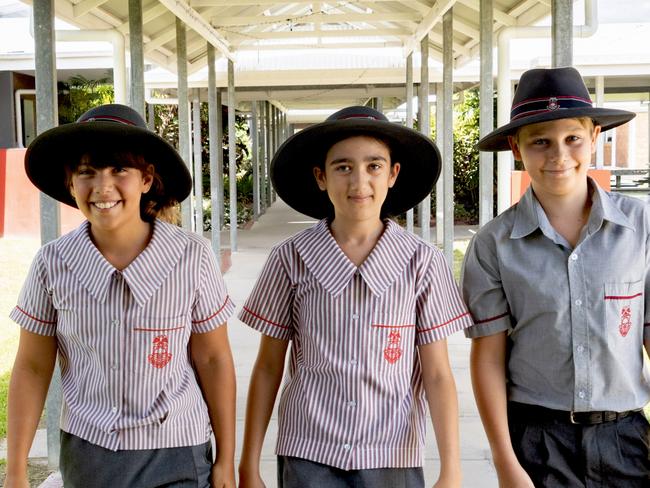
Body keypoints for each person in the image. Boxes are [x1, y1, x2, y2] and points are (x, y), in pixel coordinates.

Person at [237, 106, 473, 488]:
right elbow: (267, 367)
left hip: (392, 453)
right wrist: (248, 463)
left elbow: (437, 373)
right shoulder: (290, 258)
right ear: (321, 177)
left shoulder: (422, 263)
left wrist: (452, 469)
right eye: (343, 167)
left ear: (393, 174)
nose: (359, 181)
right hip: (309, 450)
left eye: (374, 166)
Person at [4, 104, 237, 488]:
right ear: (70, 183)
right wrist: (15, 472)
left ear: (147, 179)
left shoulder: (191, 257)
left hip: (177, 449)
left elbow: (213, 358)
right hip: (90, 451)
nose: (102, 186)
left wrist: (226, 458)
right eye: (87, 172)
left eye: (119, 170)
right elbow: (31, 367)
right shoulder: (52, 264)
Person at [461, 66, 650, 487]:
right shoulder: (495, 244)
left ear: (595, 135)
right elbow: (488, 359)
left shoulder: (641, 227)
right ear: (516, 147)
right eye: (540, 142)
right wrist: (505, 460)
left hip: (628, 440)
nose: (559, 156)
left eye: (572, 139)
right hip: (537, 442)